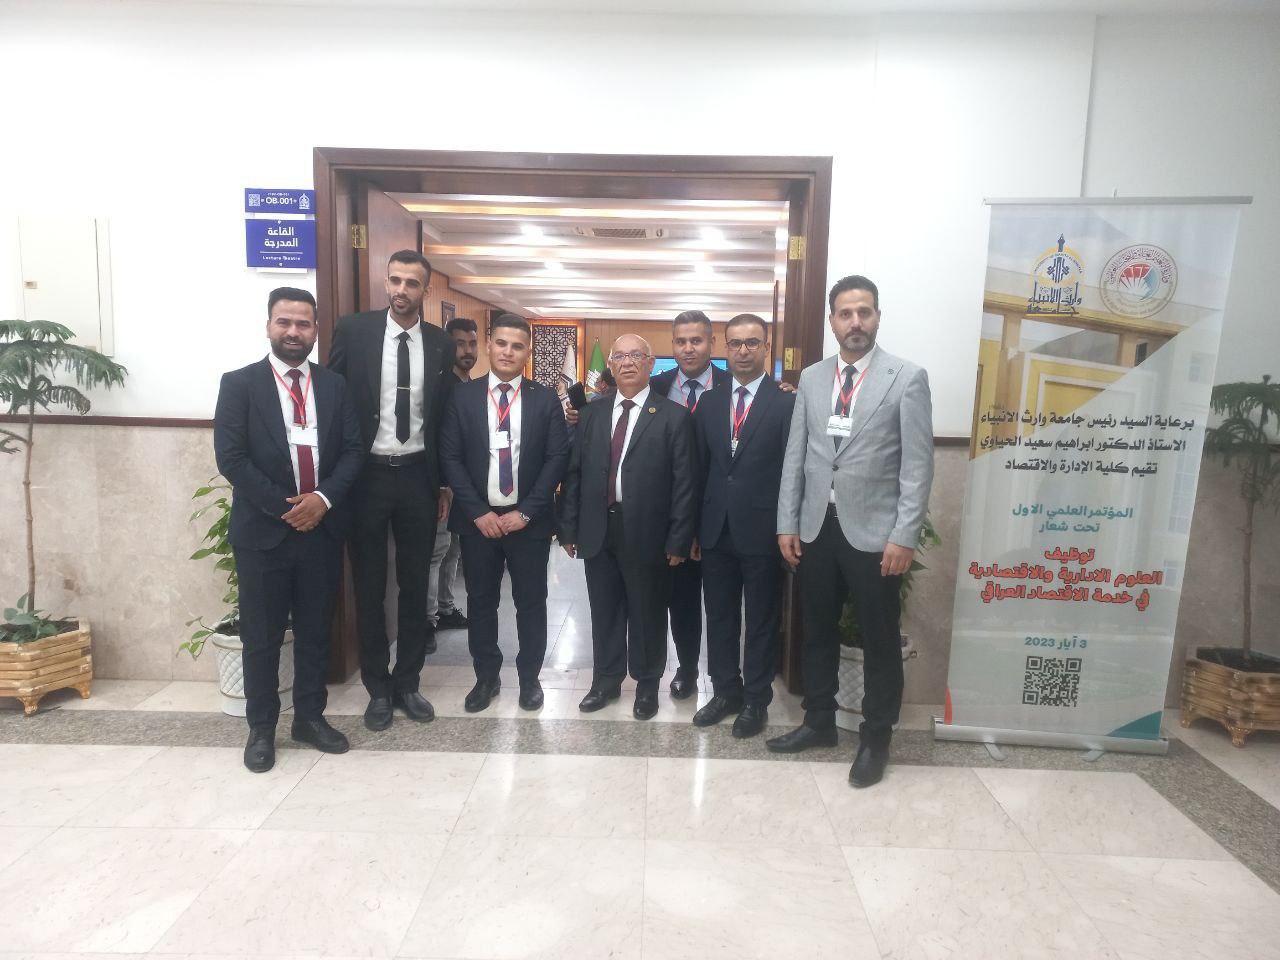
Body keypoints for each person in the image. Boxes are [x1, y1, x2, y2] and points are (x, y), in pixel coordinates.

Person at [771, 275, 934, 789]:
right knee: (815, 630)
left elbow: (918, 467)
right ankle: (818, 722)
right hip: (817, 528)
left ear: (878, 317)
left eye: (864, 312)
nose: (855, 322)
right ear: (832, 321)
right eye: (845, 313)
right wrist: (787, 522)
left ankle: (876, 738)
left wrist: (904, 535)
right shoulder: (813, 378)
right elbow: (796, 455)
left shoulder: (906, 377)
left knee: (879, 639)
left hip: (876, 536)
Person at [214, 287, 365, 772]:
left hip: (321, 530)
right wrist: (288, 508)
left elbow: (354, 450)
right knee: (261, 636)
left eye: (303, 323)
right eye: (284, 322)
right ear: (269, 326)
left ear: (316, 330)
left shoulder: (334, 386)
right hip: (263, 534)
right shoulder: (240, 384)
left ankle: (310, 719)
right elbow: (231, 458)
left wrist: (322, 500)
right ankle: (261, 729)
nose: (293, 332)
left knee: (317, 632)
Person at [327, 250, 455, 731]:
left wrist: (444, 482)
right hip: (367, 477)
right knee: (369, 585)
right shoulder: (354, 330)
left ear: (425, 290)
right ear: (386, 282)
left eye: (412, 283)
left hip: (419, 477)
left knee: (415, 584)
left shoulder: (440, 343)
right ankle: (377, 688)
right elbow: (334, 400)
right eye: (395, 280)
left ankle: (408, 682)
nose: (402, 290)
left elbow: (441, 417)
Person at [559, 334, 697, 720]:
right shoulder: (591, 414)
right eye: (619, 357)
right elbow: (574, 473)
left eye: (636, 355)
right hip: (598, 528)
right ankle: (605, 681)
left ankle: (647, 685)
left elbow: (685, 484)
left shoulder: (673, 416)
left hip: (649, 534)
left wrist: (679, 540)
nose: (627, 362)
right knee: (604, 610)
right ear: (611, 366)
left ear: (651, 363)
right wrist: (568, 528)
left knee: (647, 612)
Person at [439, 314, 569, 712]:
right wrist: (478, 512)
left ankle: (529, 679)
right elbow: (450, 457)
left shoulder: (545, 399)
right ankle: (486, 678)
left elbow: (557, 458)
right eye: (501, 343)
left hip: (528, 523)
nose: (508, 352)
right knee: (481, 602)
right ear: (489, 345)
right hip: (479, 523)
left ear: (527, 352)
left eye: (517, 346)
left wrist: (526, 512)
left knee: (531, 603)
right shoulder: (462, 397)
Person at [691, 313, 794, 738]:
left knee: (761, 620)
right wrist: (694, 529)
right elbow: (700, 469)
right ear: (725, 348)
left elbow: (792, 470)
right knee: (719, 616)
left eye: (752, 342)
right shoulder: (710, 402)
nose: (743, 351)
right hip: (715, 529)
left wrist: (788, 526)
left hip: (764, 530)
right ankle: (725, 692)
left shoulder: (786, 402)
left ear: (767, 347)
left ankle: (755, 700)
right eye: (735, 343)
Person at [648, 310, 731, 700]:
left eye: (696, 340)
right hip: (670, 514)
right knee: (680, 599)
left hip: (720, 512)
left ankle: (725, 677)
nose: (688, 349)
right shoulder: (654, 386)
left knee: (721, 602)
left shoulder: (734, 385)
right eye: (680, 341)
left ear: (711, 343)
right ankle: (686, 669)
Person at [426, 316, 479, 634]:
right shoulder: (441, 386)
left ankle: (446, 608)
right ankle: (428, 619)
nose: (467, 350)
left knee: (455, 549)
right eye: (460, 343)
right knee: (438, 550)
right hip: (444, 486)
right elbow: (435, 439)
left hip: (468, 486)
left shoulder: (472, 386)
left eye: (472, 343)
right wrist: (441, 485)